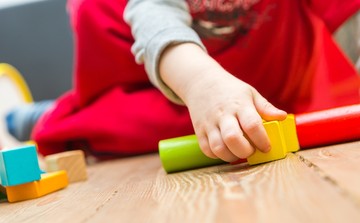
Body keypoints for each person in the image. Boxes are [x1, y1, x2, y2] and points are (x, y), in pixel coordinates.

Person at [4, 0, 360, 162]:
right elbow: (154, 17)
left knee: (261, 124)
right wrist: (202, 84)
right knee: (123, 129)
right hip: (163, 78)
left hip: (261, 70)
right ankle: (39, 116)